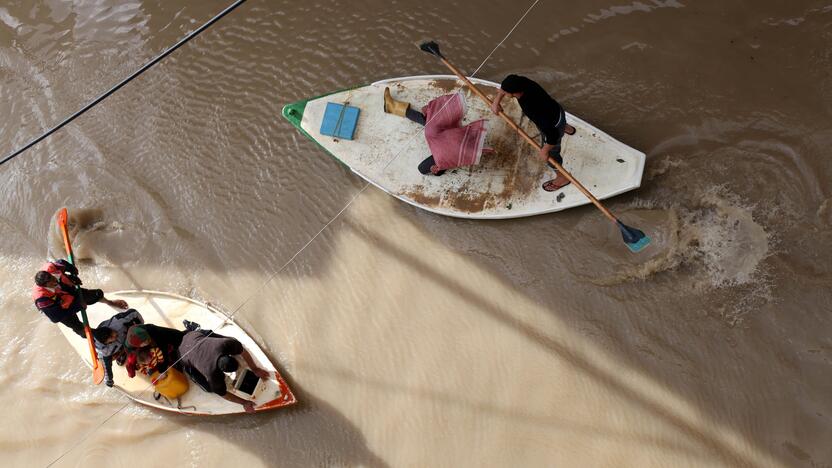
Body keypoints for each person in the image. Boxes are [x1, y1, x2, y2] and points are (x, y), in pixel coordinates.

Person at [490, 74, 576, 192]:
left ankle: (563, 178)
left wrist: (545, 151)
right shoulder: (524, 82)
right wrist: (496, 101)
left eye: (505, 92)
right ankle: (564, 127)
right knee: (557, 123)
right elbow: (505, 88)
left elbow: (552, 135)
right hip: (557, 111)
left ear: (514, 93)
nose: (502, 92)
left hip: (553, 128)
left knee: (551, 155)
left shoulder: (531, 106)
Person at [383, 87, 490, 176]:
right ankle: (393, 107)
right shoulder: (441, 133)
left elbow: (430, 169)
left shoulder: (446, 155)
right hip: (447, 143)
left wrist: (437, 169)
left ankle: (393, 107)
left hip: (448, 152)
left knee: (422, 168)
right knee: (430, 125)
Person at [177, 328, 270, 413]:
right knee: (209, 388)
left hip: (194, 335)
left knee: (235, 342)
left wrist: (255, 369)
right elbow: (223, 394)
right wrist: (244, 402)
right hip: (182, 353)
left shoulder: (225, 343)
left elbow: (243, 351)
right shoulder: (211, 372)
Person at [32, 259, 128, 338]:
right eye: (51, 282)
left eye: (53, 277)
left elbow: (62, 262)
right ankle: (97, 336)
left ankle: (110, 302)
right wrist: (78, 306)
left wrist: (73, 273)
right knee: (81, 330)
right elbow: (56, 317)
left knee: (98, 294)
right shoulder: (42, 300)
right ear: (45, 286)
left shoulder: (51, 268)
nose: (55, 280)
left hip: (67, 293)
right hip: (61, 309)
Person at [92, 309, 144, 387]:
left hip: (127, 332)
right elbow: (106, 368)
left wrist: (141, 325)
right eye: (112, 338)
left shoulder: (118, 321)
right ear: (107, 343)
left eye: (113, 333)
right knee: (111, 359)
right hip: (118, 347)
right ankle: (122, 353)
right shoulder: (104, 352)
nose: (115, 335)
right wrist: (109, 380)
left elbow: (133, 312)